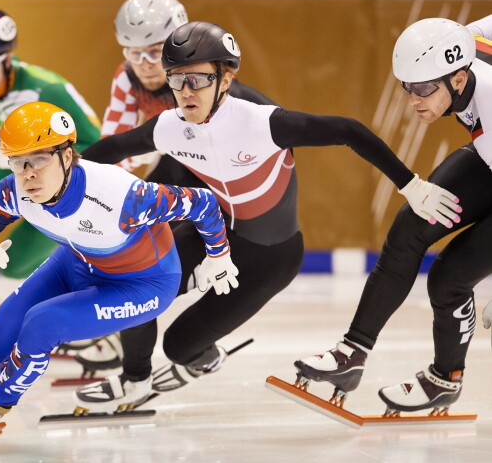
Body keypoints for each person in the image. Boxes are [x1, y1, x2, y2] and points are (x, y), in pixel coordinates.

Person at [74, 21, 462, 412]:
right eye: (176, 80)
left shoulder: (261, 121)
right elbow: (111, 149)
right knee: (133, 284)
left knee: (178, 346)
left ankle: (201, 357)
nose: (186, 92)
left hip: (269, 259)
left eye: (198, 80)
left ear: (225, 79)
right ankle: (135, 377)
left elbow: (348, 130)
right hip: (217, 235)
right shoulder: (171, 126)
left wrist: (411, 185)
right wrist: (57, 169)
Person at [0, 102, 238, 434]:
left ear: (67, 157)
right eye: (18, 162)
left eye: (39, 159)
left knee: (42, 323)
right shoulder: (13, 191)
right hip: (79, 261)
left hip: (144, 284)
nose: (29, 173)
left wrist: (218, 255)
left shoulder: (124, 196)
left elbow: (204, 203)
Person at [294, 16, 492, 414]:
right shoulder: (463, 40)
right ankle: (352, 353)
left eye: (423, 89)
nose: (413, 99)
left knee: (449, 277)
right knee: (409, 228)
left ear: (457, 79)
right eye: (407, 87)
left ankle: (445, 378)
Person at [75, 0, 278, 372]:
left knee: (142, 246)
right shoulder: (126, 76)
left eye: (154, 52)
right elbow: (115, 140)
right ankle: (124, 327)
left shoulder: (195, 79)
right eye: (133, 54)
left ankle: (150, 338)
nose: (144, 65)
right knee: (123, 239)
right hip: (171, 156)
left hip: (214, 171)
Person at [0, 5, 101, 351]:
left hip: (67, 165)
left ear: (8, 59)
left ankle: (83, 306)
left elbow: (97, 143)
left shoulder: (47, 88)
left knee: (18, 264)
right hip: (18, 154)